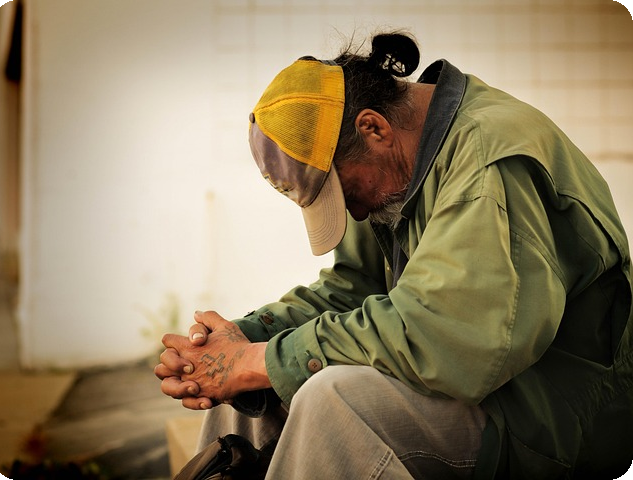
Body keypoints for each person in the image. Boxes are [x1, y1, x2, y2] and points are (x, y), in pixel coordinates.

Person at [154, 30, 633, 479]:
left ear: (373, 129)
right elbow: (354, 288)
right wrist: (239, 344)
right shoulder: (392, 164)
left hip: (544, 418)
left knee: (332, 400)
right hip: (476, 386)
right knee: (252, 395)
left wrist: (259, 360)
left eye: (344, 193)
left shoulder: (488, 162)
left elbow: (451, 340)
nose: (355, 213)